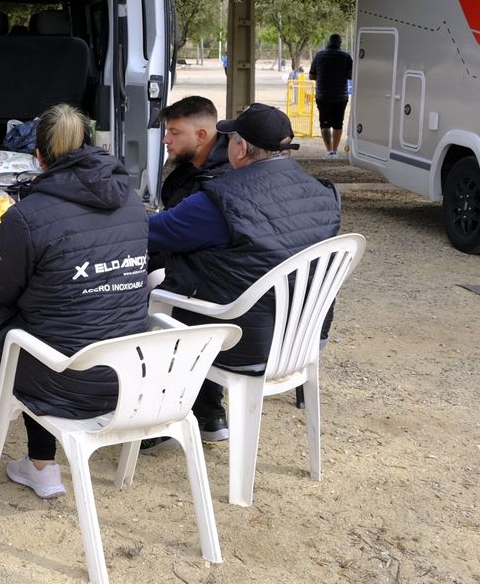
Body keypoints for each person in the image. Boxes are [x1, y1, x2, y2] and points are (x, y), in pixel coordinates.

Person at [0, 104, 150, 498]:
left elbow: (2, 290)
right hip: (129, 372)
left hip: (66, 378)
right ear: (88, 146)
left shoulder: (27, 215)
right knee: (50, 326)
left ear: (38, 157)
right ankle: (40, 465)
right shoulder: (131, 201)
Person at [143, 103, 340, 450]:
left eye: (230, 137)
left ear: (242, 147)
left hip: (244, 341)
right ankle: (207, 413)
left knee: (154, 289)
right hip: (304, 338)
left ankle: (158, 416)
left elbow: (149, 232)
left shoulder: (221, 199)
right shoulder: (323, 192)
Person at [158, 96, 230, 210]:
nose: (165, 140)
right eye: (167, 132)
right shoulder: (189, 168)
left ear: (201, 135)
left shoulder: (220, 186)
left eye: (174, 132)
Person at [309, 34, 353, 157]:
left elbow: (311, 76)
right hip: (340, 96)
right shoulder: (346, 57)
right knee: (338, 123)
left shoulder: (319, 55)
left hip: (323, 95)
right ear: (340, 43)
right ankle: (335, 150)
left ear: (329, 42)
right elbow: (351, 75)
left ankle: (329, 151)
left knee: (325, 123)